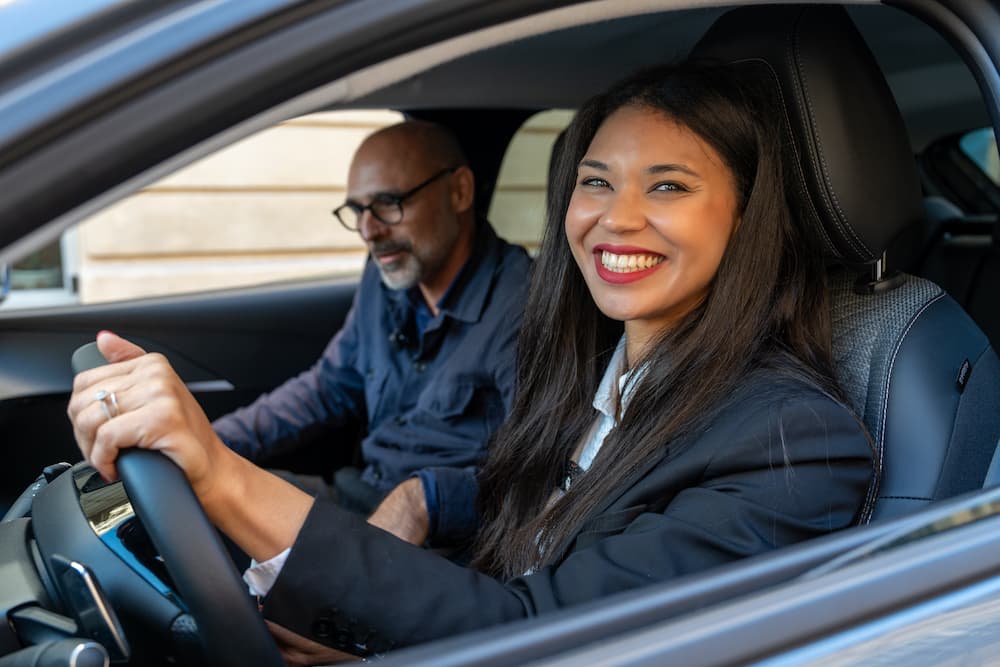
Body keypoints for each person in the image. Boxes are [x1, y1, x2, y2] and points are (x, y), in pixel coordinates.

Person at [69, 61, 876, 660]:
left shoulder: (792, 439)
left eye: (667, 187)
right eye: (596, 182)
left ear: (744, 216)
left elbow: (541, 635)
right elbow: (511, 563)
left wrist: (217, 469)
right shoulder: (593, 371)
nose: (616, 218)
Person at [210, 120, 532, 546]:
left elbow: (539, 478)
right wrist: (212, 442)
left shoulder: (527, 309)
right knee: (208, 499)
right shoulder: (387, 281)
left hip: (447, 546)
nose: (369, 230)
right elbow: (326, 388)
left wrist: (427, 501)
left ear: (459, 191)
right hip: (359, 499)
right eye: (358, 210)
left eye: (388, 203)